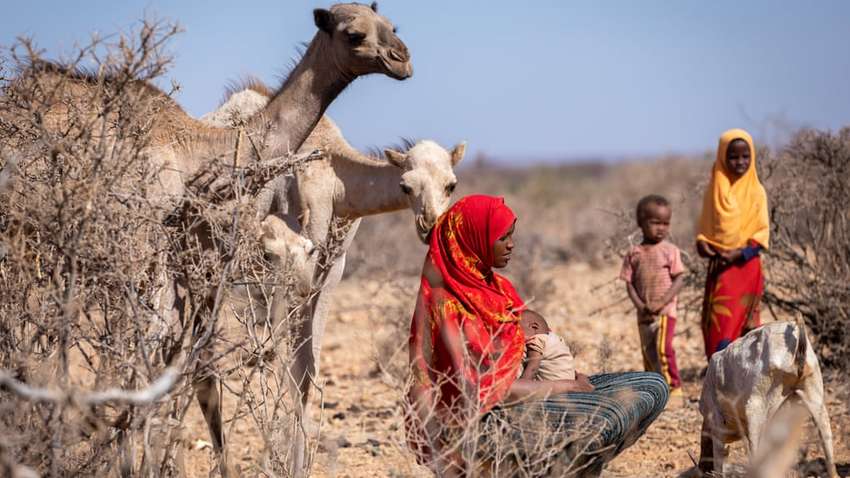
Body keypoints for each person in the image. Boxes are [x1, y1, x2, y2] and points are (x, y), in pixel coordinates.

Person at [406, 194, 668, 477]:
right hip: (489, 421)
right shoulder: (449, 307)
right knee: (608, 416)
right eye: (502, 237)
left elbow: (532, 346)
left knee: (653, 386)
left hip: (536, 391)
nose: (511, 244)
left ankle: (567, 468)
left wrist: (571, 375)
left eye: (511, 236)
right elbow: (493, 393)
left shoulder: (496, 288)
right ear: (474, 239)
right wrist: (567, 387)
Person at [696, 129, 769, 359]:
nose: (740, 162)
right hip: (720, 270)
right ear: (722, 157)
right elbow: (705, 231)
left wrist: (739, 253)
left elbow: (761, 236)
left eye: (745, 156)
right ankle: (719, 377)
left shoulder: (757, 191)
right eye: (733, 157)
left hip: (745, 269)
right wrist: (702, 245)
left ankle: (742, 380)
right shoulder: (714, 189)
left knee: (744, 328)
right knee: (717, 327)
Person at [620, 194, 685, 398]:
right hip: (644, 314)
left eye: (666, 223)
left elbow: (679, 279)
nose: (661, 228)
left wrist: (661, 302)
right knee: (648, 352)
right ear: (641, 222)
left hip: (665, 312)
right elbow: (629, 283)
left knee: (663, 349)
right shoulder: (634, 253)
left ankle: (674, 390)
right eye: (655, 223)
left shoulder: (670, 251)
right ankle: (654, 391)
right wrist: (641, 306)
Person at [519, 309, 577, 381]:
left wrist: (523, 382)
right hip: (570, 380)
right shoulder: (555, 338)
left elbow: (533, 368)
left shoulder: (537, 340)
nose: (516, 335)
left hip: (556, 386)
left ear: (534, 327)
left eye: (518, 331)